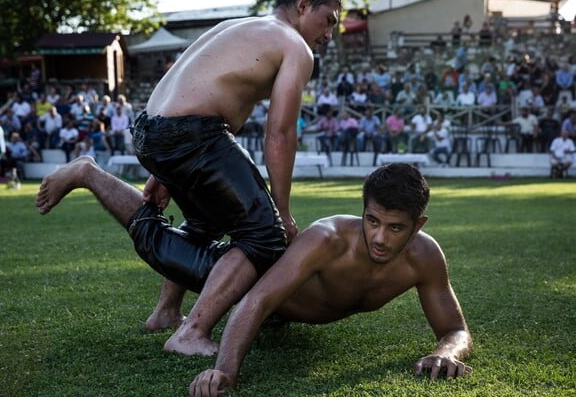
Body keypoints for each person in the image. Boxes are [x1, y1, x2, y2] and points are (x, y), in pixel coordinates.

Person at [126, 0, 342, 358]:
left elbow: (180, 82)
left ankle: (165, 312)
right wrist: (283, 211)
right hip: (190, 134)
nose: (330, 34)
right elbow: (281, 132)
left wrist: (161, 164)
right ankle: (192, 332)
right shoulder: (295, 47)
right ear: (304, 4)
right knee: (265, 235)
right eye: (329, 20)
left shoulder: (235, 26)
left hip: (151, 129)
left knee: (205, 220)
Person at [190, 163, 473, 396]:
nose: (380, 238)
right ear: (363, 210)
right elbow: (257, 299)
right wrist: (225, 371)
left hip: (278, 315)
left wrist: (448, 352)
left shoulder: (425, 256)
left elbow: (455, 329)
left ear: (418, 225)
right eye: (372, 221)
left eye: (395, 228)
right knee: (169, 250)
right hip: (241, 280)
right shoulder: (327, 238)